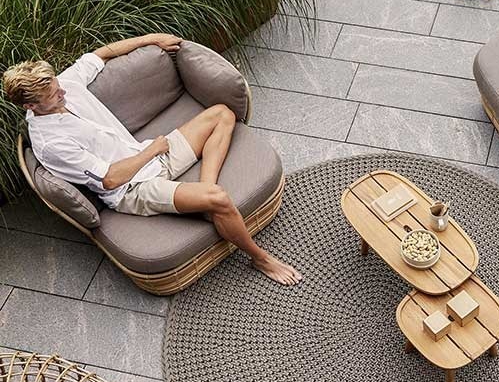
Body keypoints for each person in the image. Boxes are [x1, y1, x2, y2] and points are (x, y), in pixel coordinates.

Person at [2, 33, 302, 286]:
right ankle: (260, 258)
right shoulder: (51, 144)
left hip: (149, 153)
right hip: (132, 188)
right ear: (30, 106)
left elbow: (101, 53)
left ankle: (203, 192)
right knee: (220, 199)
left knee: (222, 113)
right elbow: (110, 179)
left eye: (58, 85)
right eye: (54, 95)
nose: (63, 92)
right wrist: (151, 151)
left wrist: (152, 39)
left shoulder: (67, 85)